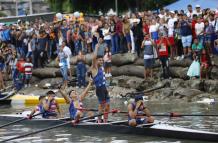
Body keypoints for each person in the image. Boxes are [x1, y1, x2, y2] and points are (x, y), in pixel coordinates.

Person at [90, 43, 110, 123]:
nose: (101, 61)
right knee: (102, 106)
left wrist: (107, 89)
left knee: (107, 105)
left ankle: (105, 120)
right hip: (99, 89)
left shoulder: (102, 68)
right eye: (100, 60)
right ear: (96, 61)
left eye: (102, 60)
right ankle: (99, 119)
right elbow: (94, 58)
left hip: (104, 88)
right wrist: (96, 48)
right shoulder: (94, 68)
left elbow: (104, 79)